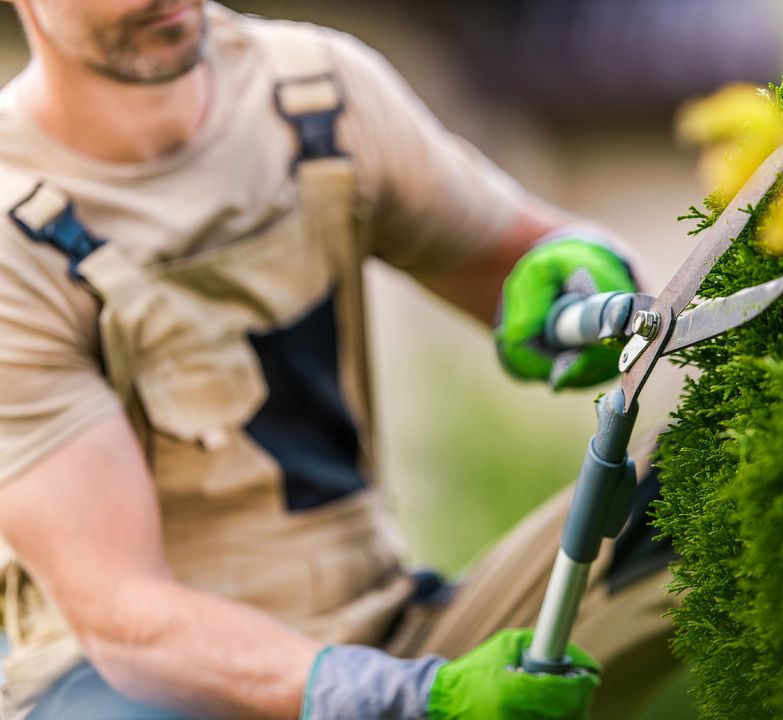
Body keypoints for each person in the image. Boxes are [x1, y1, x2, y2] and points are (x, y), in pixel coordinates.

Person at [0, 1, 678, 718]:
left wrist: (583, 281)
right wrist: (419, 701)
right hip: (135, 691)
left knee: (710, 478)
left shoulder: (314, 90)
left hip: (393, 633)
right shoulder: (14, 230)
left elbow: (521, 264)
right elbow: (126, 621)